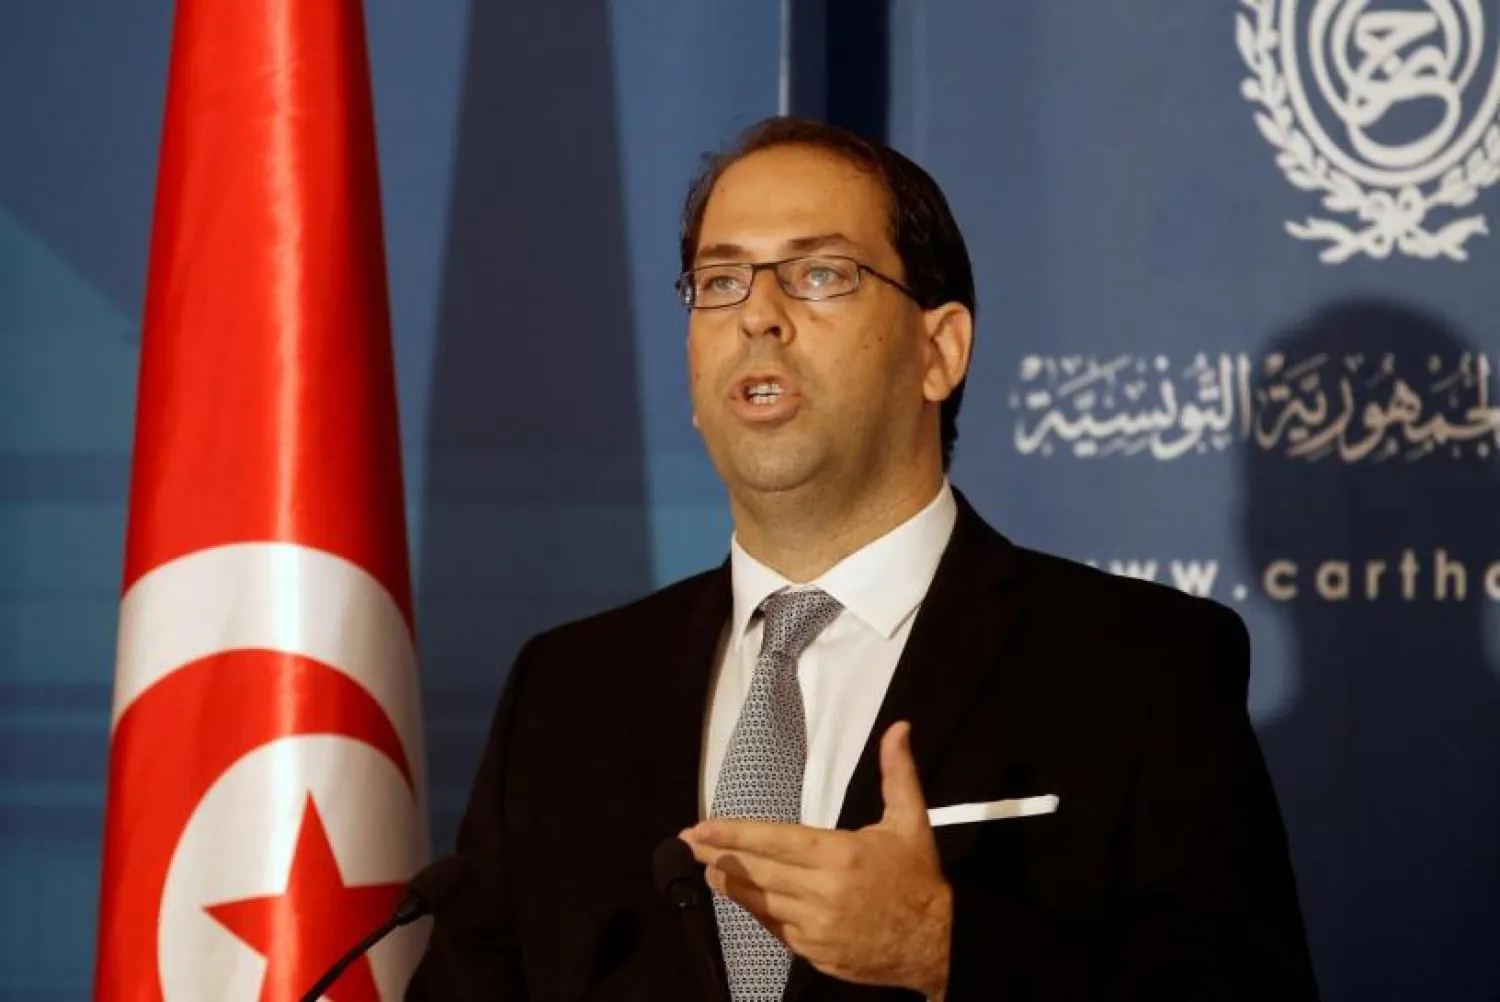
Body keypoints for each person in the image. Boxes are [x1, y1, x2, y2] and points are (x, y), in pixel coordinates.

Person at [406, 116, 1318, 1002]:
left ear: (939, 350)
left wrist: (946, 951)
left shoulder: (1139, 666)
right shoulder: (567, 694)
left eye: (819, 273)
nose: (757, 316)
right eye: (720, 282)